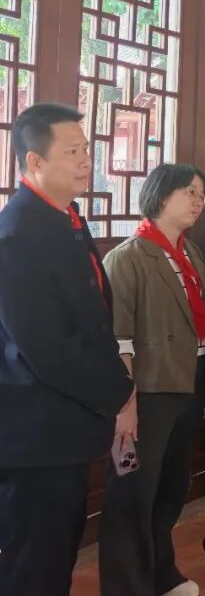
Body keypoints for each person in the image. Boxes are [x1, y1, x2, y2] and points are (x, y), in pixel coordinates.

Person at [0, 103, 133, 596]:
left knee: (57, 553)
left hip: (66, 424)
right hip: (35, 433)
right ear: (34, 162)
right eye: (72, 151)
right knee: (34, 563)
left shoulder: (64, 218)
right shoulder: (19, 234)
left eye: (86, 149)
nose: (85, 160)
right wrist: (119, 389)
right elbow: (47, 346)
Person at [100, 163, 205, 596]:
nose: (198, 201)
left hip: (189, 381)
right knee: (133, 493)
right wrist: (125, 403)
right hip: (147, 392)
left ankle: (161, 572)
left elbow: (204, 326)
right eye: (190, 192)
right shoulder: (128, 257)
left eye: (202, 194)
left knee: (171, 487)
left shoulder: (190, 254)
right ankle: (127, 585)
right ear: (160, 195)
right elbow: (118, 340)